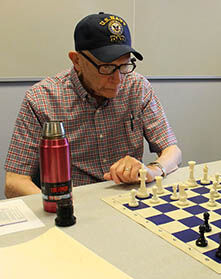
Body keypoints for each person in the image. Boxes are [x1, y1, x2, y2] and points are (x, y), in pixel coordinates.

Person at [4, 12, 181, 198]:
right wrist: (61, 207)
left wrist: (153, 169)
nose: (118, 79)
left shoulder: (137, 87)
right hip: (71, 204)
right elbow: (14, 182)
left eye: (124, 66)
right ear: (77, 61)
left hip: (127, 200)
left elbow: (172, 151)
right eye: (106, 68)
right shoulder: (41, 99)